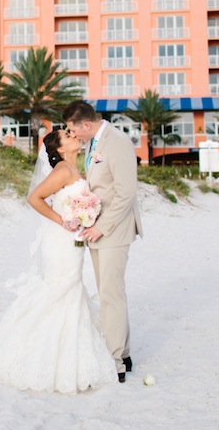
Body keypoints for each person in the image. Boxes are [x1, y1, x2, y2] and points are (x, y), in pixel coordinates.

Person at [0, 128, 117, 394]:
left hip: (73, 240)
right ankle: (27, 351)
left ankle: (72, 356)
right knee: (60, 289)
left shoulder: (76, 170)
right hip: (60, 239)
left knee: (71, 288)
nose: (74, 134)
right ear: (61, 149)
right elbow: (34, 198)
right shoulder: (63, 170)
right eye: (67, 134)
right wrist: (63, 220)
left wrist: (85, 215)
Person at [62, 99, 141, 384]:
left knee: (110, 295)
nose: (74, 136)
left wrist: (101, 227)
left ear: (86, 123)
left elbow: (125, 193)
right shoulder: (96, 142)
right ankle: (125, 352)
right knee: (110, 294)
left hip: (113, 232)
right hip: (99, 230)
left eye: (75, 130)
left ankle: (116, 360)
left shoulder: (116, 142)